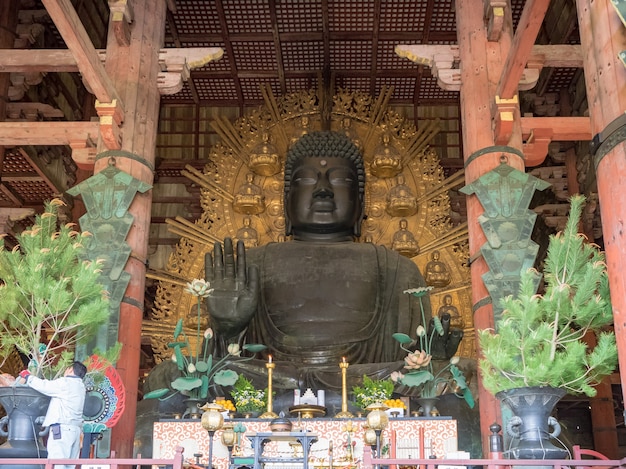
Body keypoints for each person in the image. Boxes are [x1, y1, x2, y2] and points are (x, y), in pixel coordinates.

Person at [204, 131, 444, 390]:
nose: (322, 190)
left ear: (361, 202)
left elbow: (412, 360)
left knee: (451, 373)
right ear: (286, 202)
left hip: (370, 384)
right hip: (272, 382)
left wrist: (437, 353)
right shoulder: (250, 265)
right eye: (306, 179)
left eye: (340, 180)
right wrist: (227, 328)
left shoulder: (398, 269)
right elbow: (220, 363)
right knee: (171, 374)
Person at [19, 361, 87, 469]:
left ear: (70, 369)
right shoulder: (81, 387)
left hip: (62, 429)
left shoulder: (66, 383)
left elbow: (45, 386)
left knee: (57, 463)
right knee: (69, 465)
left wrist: (28, 377)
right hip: (75, 430)